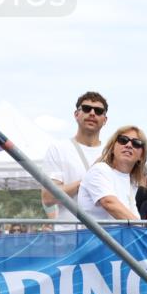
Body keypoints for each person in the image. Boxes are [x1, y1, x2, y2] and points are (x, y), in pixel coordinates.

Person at [42, 92, 109, 225]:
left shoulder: (111, 152)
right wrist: (88, 179)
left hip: (108, 234)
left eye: (98, 111)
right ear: (76, 114)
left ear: (105, 120)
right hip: (70, 235)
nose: (92, 113)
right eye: (86, 108)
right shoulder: (58, 149)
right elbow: (48, 197)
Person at [77, 126, 147, 222]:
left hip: (119, 236)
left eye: (136, 143)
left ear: (141, 156)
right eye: (123, 140)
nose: (128, 145)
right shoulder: (100, 169)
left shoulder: (132, 183)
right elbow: (110, 203)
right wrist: (142, 227)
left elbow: (132, 216)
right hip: (95, 237)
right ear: (112, 148)